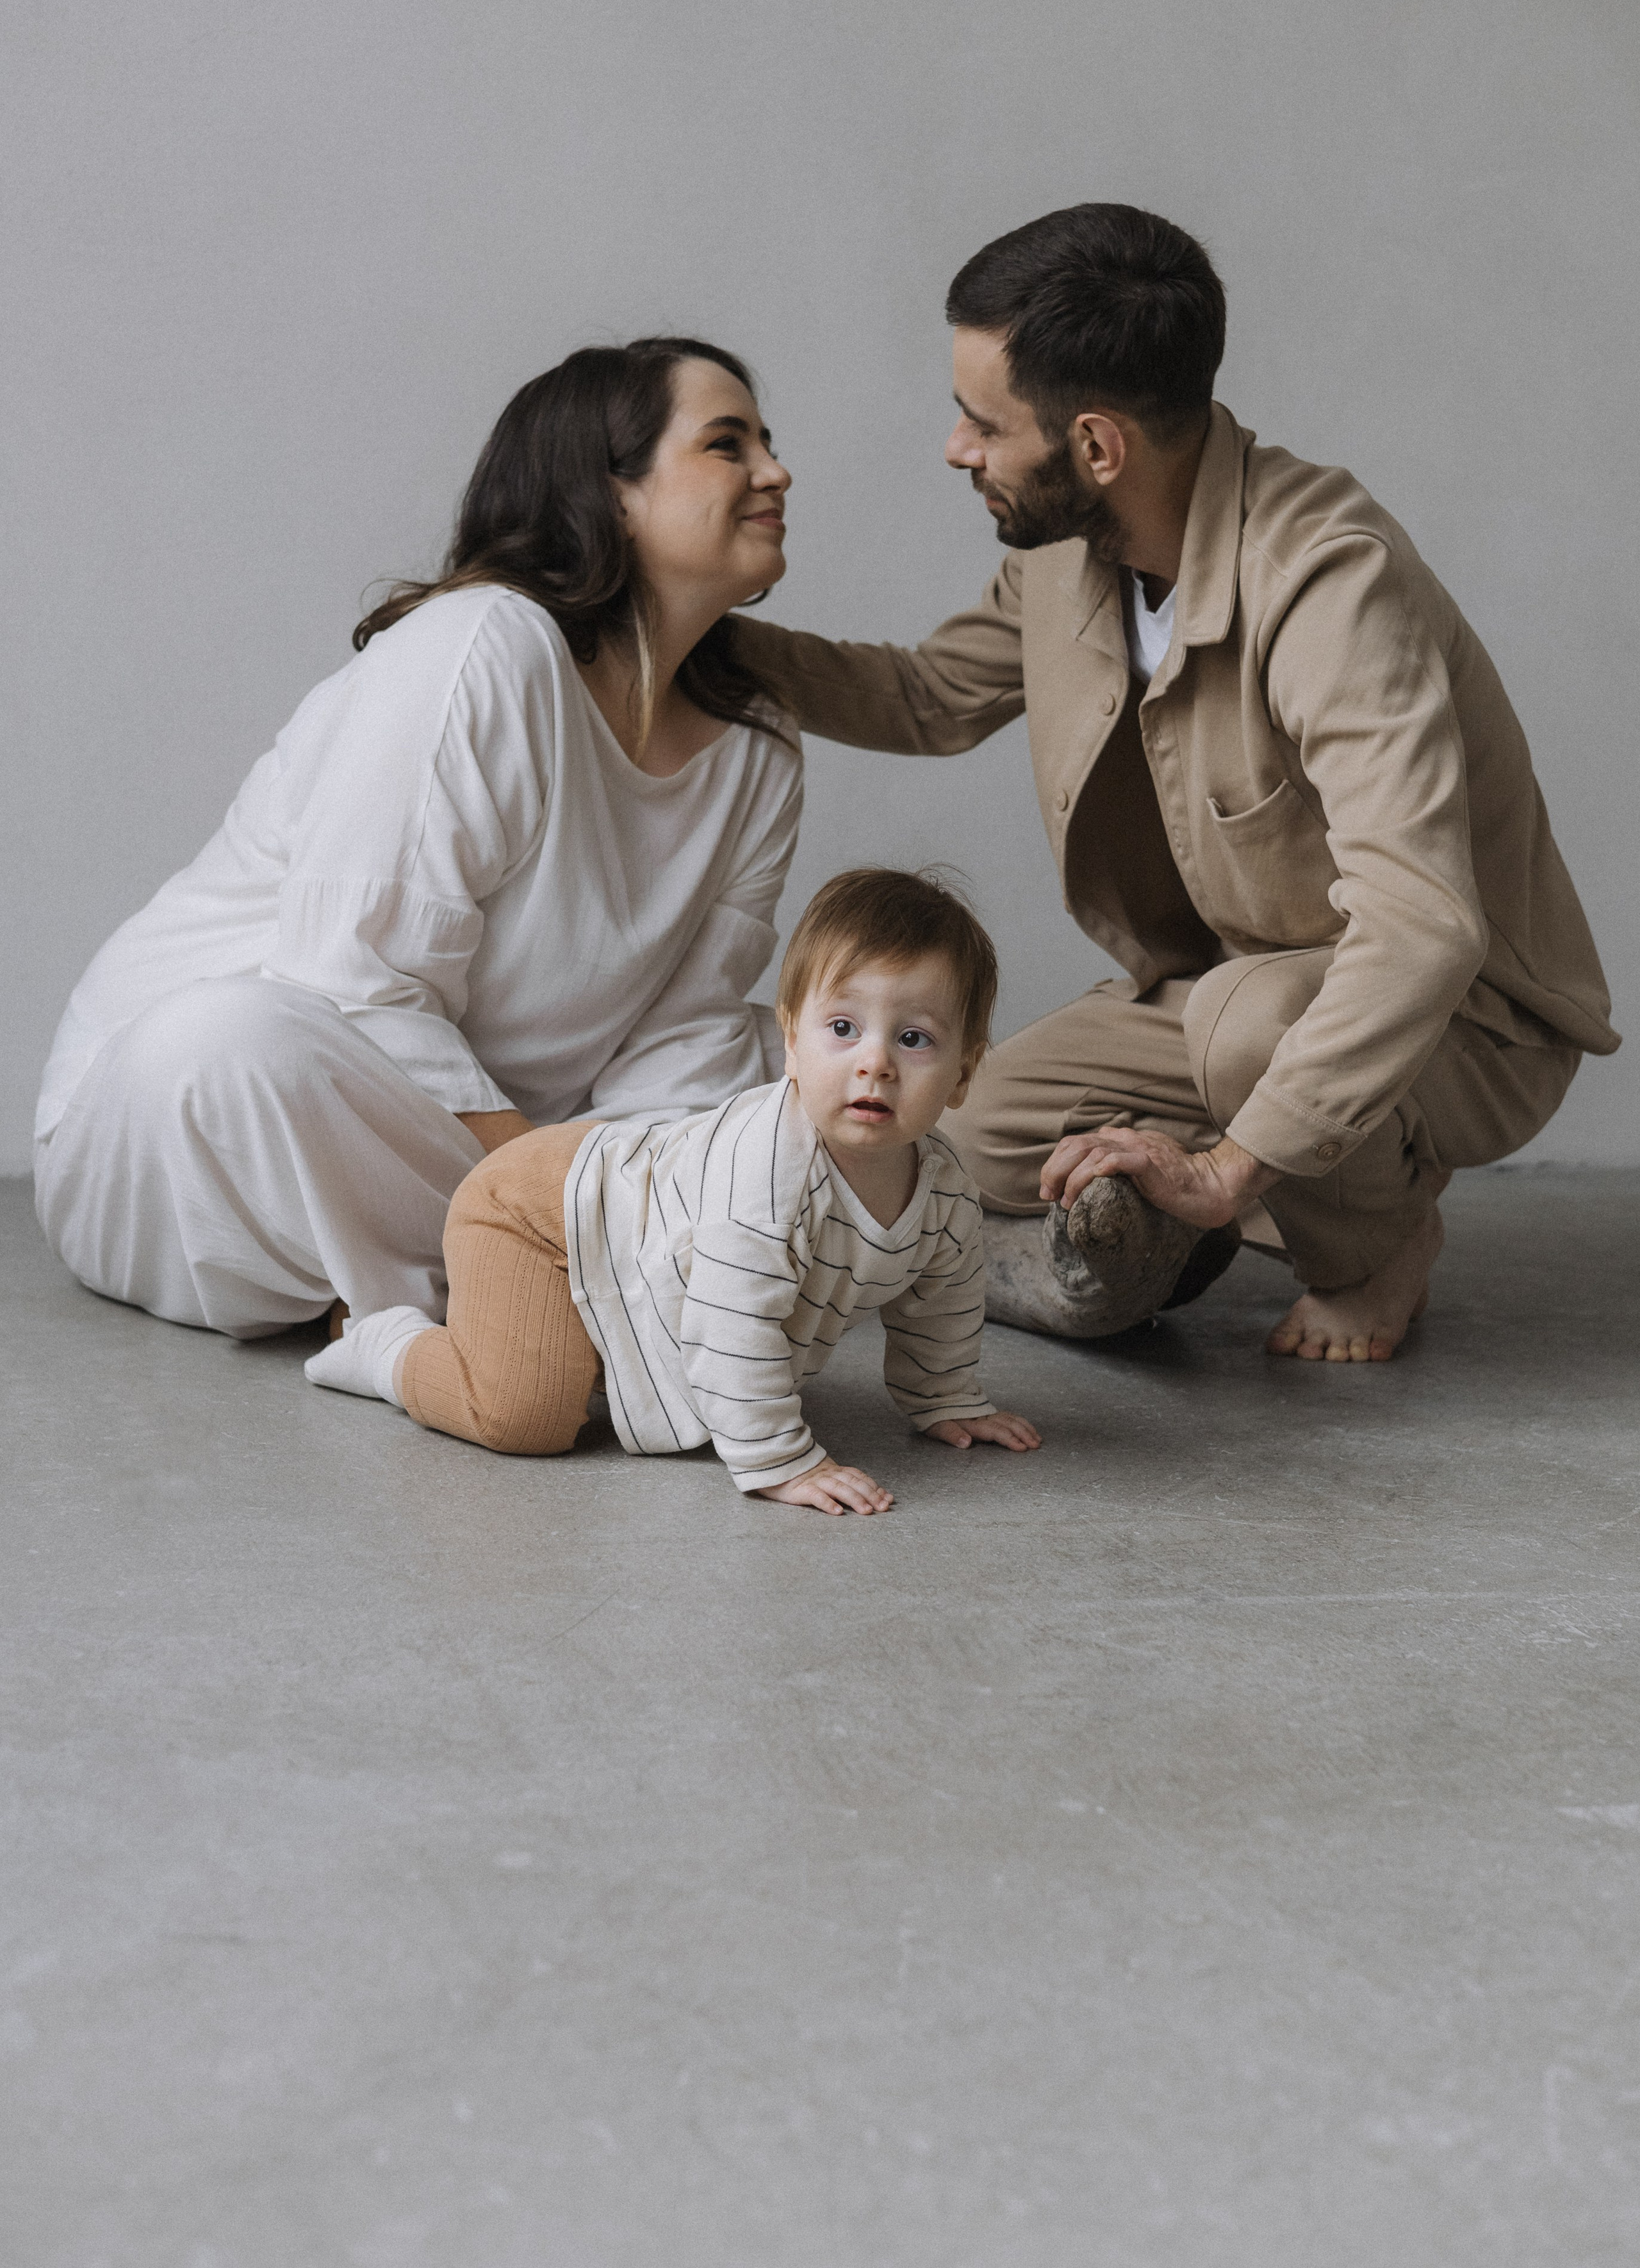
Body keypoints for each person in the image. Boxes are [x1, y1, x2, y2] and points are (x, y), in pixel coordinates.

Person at [726, 206, 1618, 1362]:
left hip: (1462, 1020)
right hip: (1222, 990)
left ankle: (1371, 1247)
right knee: (972, 1135)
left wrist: (1227, 1164)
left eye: (982, 422)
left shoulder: (1329, 582)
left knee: (1249, 1033)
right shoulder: (1065, 554)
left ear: (1096, 446)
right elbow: (929, 696)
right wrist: (703, 638)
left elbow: (1423, 930)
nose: (957, 447)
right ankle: (1218, 1199)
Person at [35, 338, 806, 1337]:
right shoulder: (485, 646)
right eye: (726, 444)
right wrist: (565, 1195)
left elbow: (687, 1030)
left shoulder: (760, 744)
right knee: (219, 1042)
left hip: (486, 1143)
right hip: (204, 1114)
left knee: (805, 1063)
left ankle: (519, 1267)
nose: (776, 471)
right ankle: (565, 1265)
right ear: (610, 493)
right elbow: (354, 981)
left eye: (767, 442)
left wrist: (601, 1174)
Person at [305, 869, 1042, 1514]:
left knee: (583, 1372)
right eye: (843, 1028)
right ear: (790, 1042)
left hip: (619, 1239)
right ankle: (384, 1342)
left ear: (965, 1074)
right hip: (538, 1210)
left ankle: (490, 1322)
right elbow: (730, 1323)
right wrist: (781, 1460)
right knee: (526, 1414)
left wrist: (945, 1400)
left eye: (913, 1040)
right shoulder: (767, 1173)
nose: (875, 1063)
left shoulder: (942, 1190)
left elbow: (942, 1302)